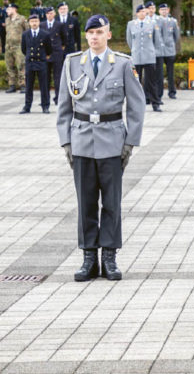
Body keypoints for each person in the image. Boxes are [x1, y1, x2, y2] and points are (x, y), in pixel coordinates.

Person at [57, 14, 145, 281]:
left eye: (99, 32)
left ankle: (109, 257)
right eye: (90, 33)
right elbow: (63, 107)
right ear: (86, 36)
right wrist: (66, 141)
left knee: (111, 203)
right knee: (85, 203)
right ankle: (88, 258)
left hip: (112, 142)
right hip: (82, 140)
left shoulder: (122, 64)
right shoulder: (73, 63)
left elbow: (137, 106)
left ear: (108, 34)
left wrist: (130, 142)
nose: (94, 37)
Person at [126, 5, 161, 111]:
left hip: (149, 56)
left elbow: (157, 40)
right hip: (136, 57)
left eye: (143, 11)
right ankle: (136, 104)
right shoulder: (131, 24)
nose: (142, 13)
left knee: (151, 81)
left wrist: (153, 51)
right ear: (136, 13)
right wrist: (135, 50)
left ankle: (155, 103)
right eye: (140, 11)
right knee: (136, 81)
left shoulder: (152, 23)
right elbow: (129, 40)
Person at [20, 13, 52, 114]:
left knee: (44, 86)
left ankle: (45, 106)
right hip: (30, 62)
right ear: (29, 23)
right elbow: (23, 49)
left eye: (36, 21)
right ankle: (27, 106)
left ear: (39, 22)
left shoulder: (45, 34)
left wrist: (43, 56)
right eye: (32, 21)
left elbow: (49, 49)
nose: (34, 23)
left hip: (41, 62)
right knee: (29, 86)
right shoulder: (25, 34)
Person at [42, 6, 69, 104]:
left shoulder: (59, 25)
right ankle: (45, 99)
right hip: (45, 54)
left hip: (56, 53)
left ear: (54, 14)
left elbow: (65, 38)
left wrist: (61, 48)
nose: (50, 15)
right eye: (48, 14)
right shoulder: (42, 25)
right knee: (45, 78)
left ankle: (58, 98)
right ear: (46, 15)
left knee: (58, 77)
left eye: (51, 13)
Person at [155, 3, 181, 100]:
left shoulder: (173, 21)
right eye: (162, 10)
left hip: (170, 50)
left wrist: (171, 44)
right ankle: (159, 93)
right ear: (159, 11)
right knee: (159, 73)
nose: (164, 11)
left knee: (170, 73)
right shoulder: (156, 21)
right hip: (160, 51)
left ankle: (172, 92)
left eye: (166, 9)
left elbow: (176, 35)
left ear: (168, 10)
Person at [4, 3, 27, 94]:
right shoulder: (7, 20)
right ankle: (12, 85)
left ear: (14, 9)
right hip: (8, 46)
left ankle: (23, 85)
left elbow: (27, 31)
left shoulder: (21, 19)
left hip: (19, 46)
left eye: (8, 9)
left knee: (21, 65)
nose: (7, 11)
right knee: (10, 66)